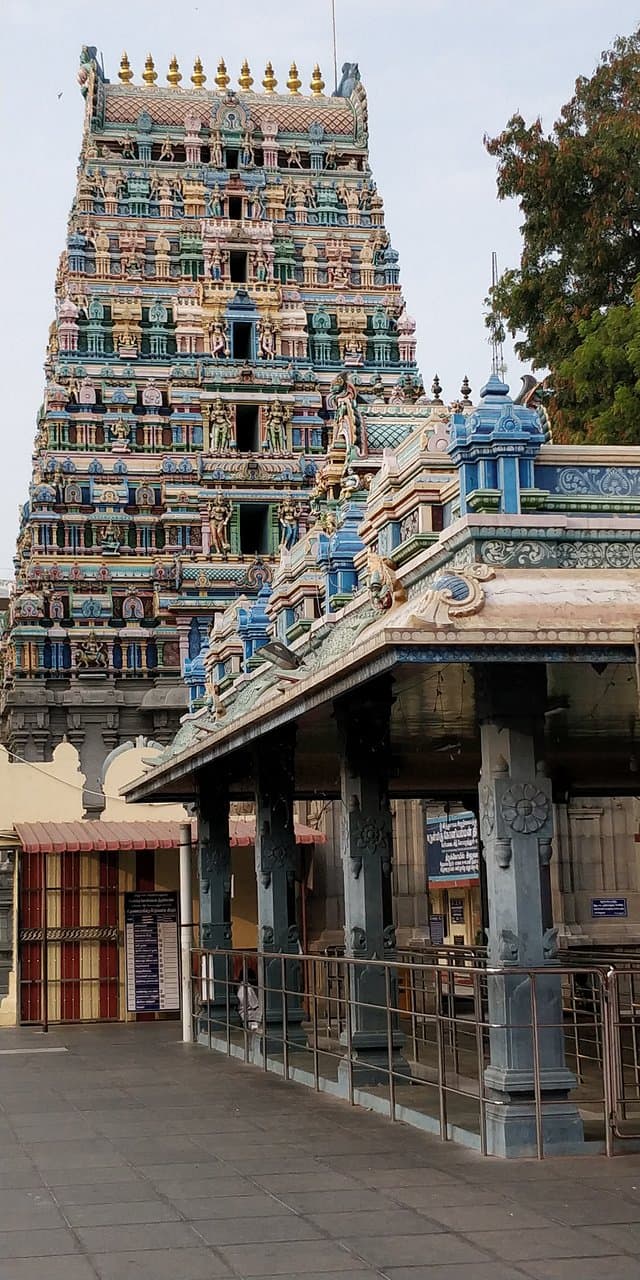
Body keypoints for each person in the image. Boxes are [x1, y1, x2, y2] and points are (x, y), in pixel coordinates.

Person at [237, 966, 261, 1030]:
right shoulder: (248, 989)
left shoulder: (240, 988)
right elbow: (255, 1005)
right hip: (251, 1016)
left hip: (243, 1015)